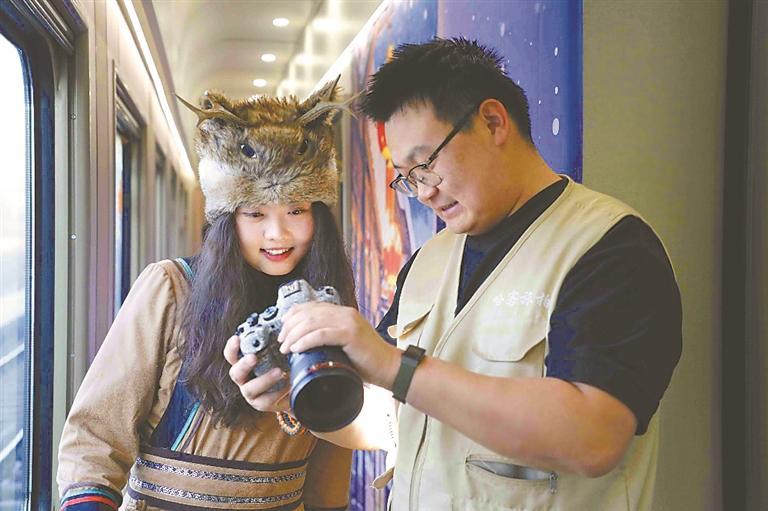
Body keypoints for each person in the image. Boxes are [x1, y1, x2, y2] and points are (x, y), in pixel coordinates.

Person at [226, 38, 682, 510]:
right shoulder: (429, 261)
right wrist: (295, 393)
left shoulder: (608, 247)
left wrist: (393, 365)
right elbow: (392, 421)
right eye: (407, 176)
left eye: (426, 164)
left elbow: (594, 438)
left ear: (493, 122)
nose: (423, 191)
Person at [57, 83, 355, 511]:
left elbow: (332, 458)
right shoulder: (171, 287)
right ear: (226, 219)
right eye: (255, 213)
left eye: (296, 210)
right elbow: (95, 436)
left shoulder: (331, 306)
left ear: (319, 214)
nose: (277, 233)